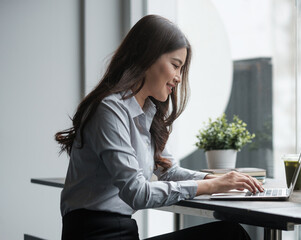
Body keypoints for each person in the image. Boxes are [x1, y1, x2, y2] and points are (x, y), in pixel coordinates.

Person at [55, 14, 264, 240]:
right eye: (176, 66)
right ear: (147, 57)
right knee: (228, 235)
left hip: (122, 231)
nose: (179, 78)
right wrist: (212, 186)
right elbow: (137, 193)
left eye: (181, 69)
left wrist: (216, 181)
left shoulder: (146, 113)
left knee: (229, 232)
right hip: (95, 235)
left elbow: (168, 172)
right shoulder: (109, 110)